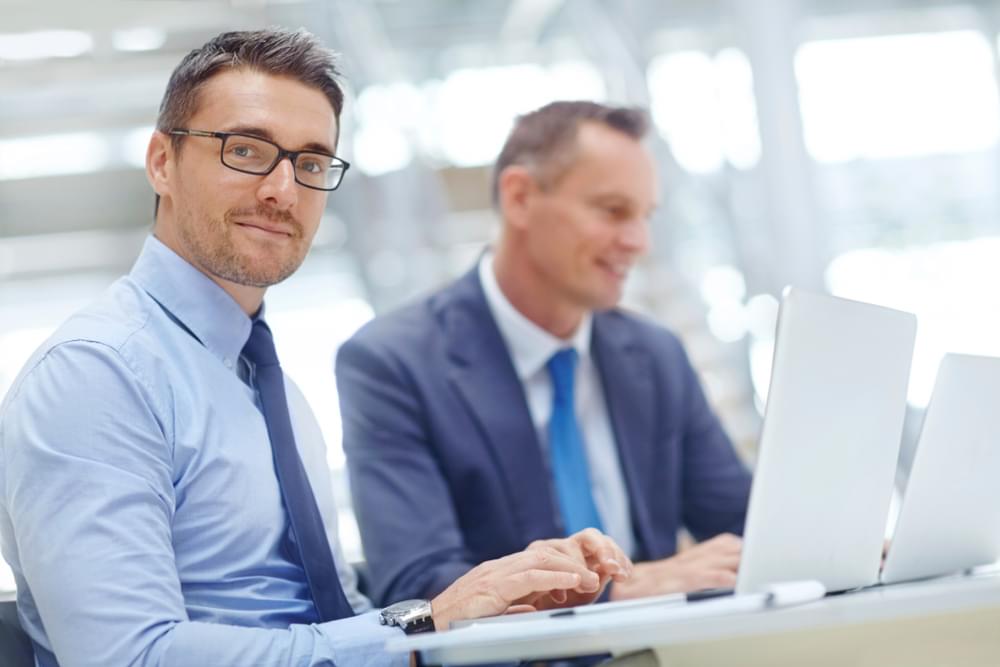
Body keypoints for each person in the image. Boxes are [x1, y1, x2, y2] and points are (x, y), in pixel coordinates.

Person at [0, 31, 632, 667]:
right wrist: (420, 626)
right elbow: (126, 656)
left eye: (310, 163)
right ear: (163, 162)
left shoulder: (269, 388)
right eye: (245, 150)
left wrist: (490, 614)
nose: (282, 190)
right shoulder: (96, 376)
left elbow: (333, 621)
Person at [337, 101, 753, 608]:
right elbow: (420, 586)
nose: (638, 241)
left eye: (644, 216)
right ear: (519, 198)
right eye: (613, 211)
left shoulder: (654, 353)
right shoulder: (393, 363)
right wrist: (629, 589)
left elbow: (743, 524)